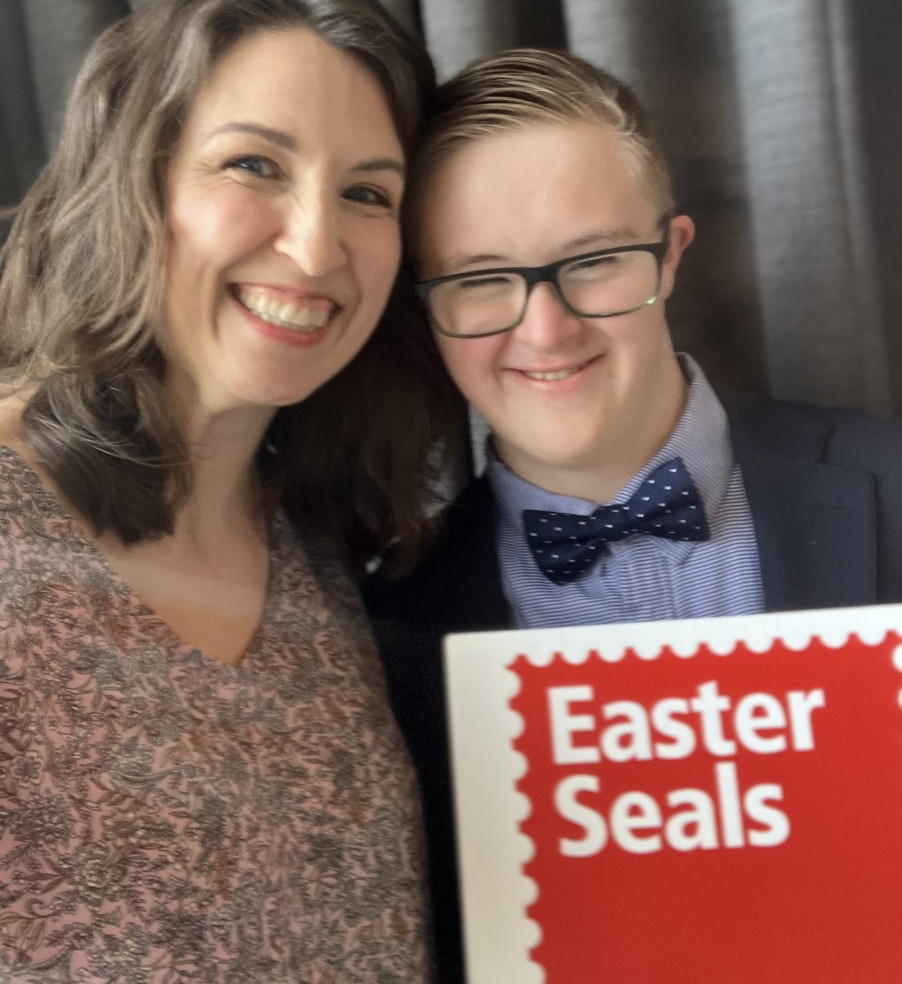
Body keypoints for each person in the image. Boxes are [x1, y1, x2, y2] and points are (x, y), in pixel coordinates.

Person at [363, 47, 902, 981]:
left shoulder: (890, 484)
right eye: (481, 279)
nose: (545, 330)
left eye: (595, 261)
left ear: (672, 253)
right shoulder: (389, 637)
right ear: (424, 308)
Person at [0, 0, 461, 982]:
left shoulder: (323, 552)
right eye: (254, 165)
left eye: (367, 193)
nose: (315, 246)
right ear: (135, 180)